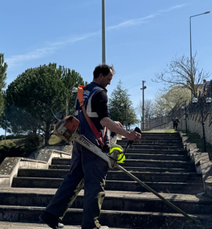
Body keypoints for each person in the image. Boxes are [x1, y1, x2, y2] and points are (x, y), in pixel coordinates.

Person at [39, 64, 142, 229]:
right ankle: (91, 225)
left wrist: (111, 124)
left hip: (79, 142)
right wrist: (126, 133)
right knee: (95, 185)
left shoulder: (83, 92)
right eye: (108, 79)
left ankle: (51, 214)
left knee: (73, 180)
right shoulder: (100, 94)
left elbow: (89, 116)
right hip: (93, 145)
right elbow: (103, 120)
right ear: (100, 75)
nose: (109, 83)